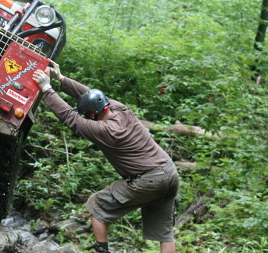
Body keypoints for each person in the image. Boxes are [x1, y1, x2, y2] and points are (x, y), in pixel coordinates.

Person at [32, 62, 179, 253]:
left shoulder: (104, 130)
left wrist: (47, 90)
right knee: (164, 233)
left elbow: (70, 118)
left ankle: (102, 251)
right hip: (169, 172)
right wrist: (61, 79)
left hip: (149, 179)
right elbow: (92, 95)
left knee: (97, 205)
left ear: (92, 115)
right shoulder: (120, 109)